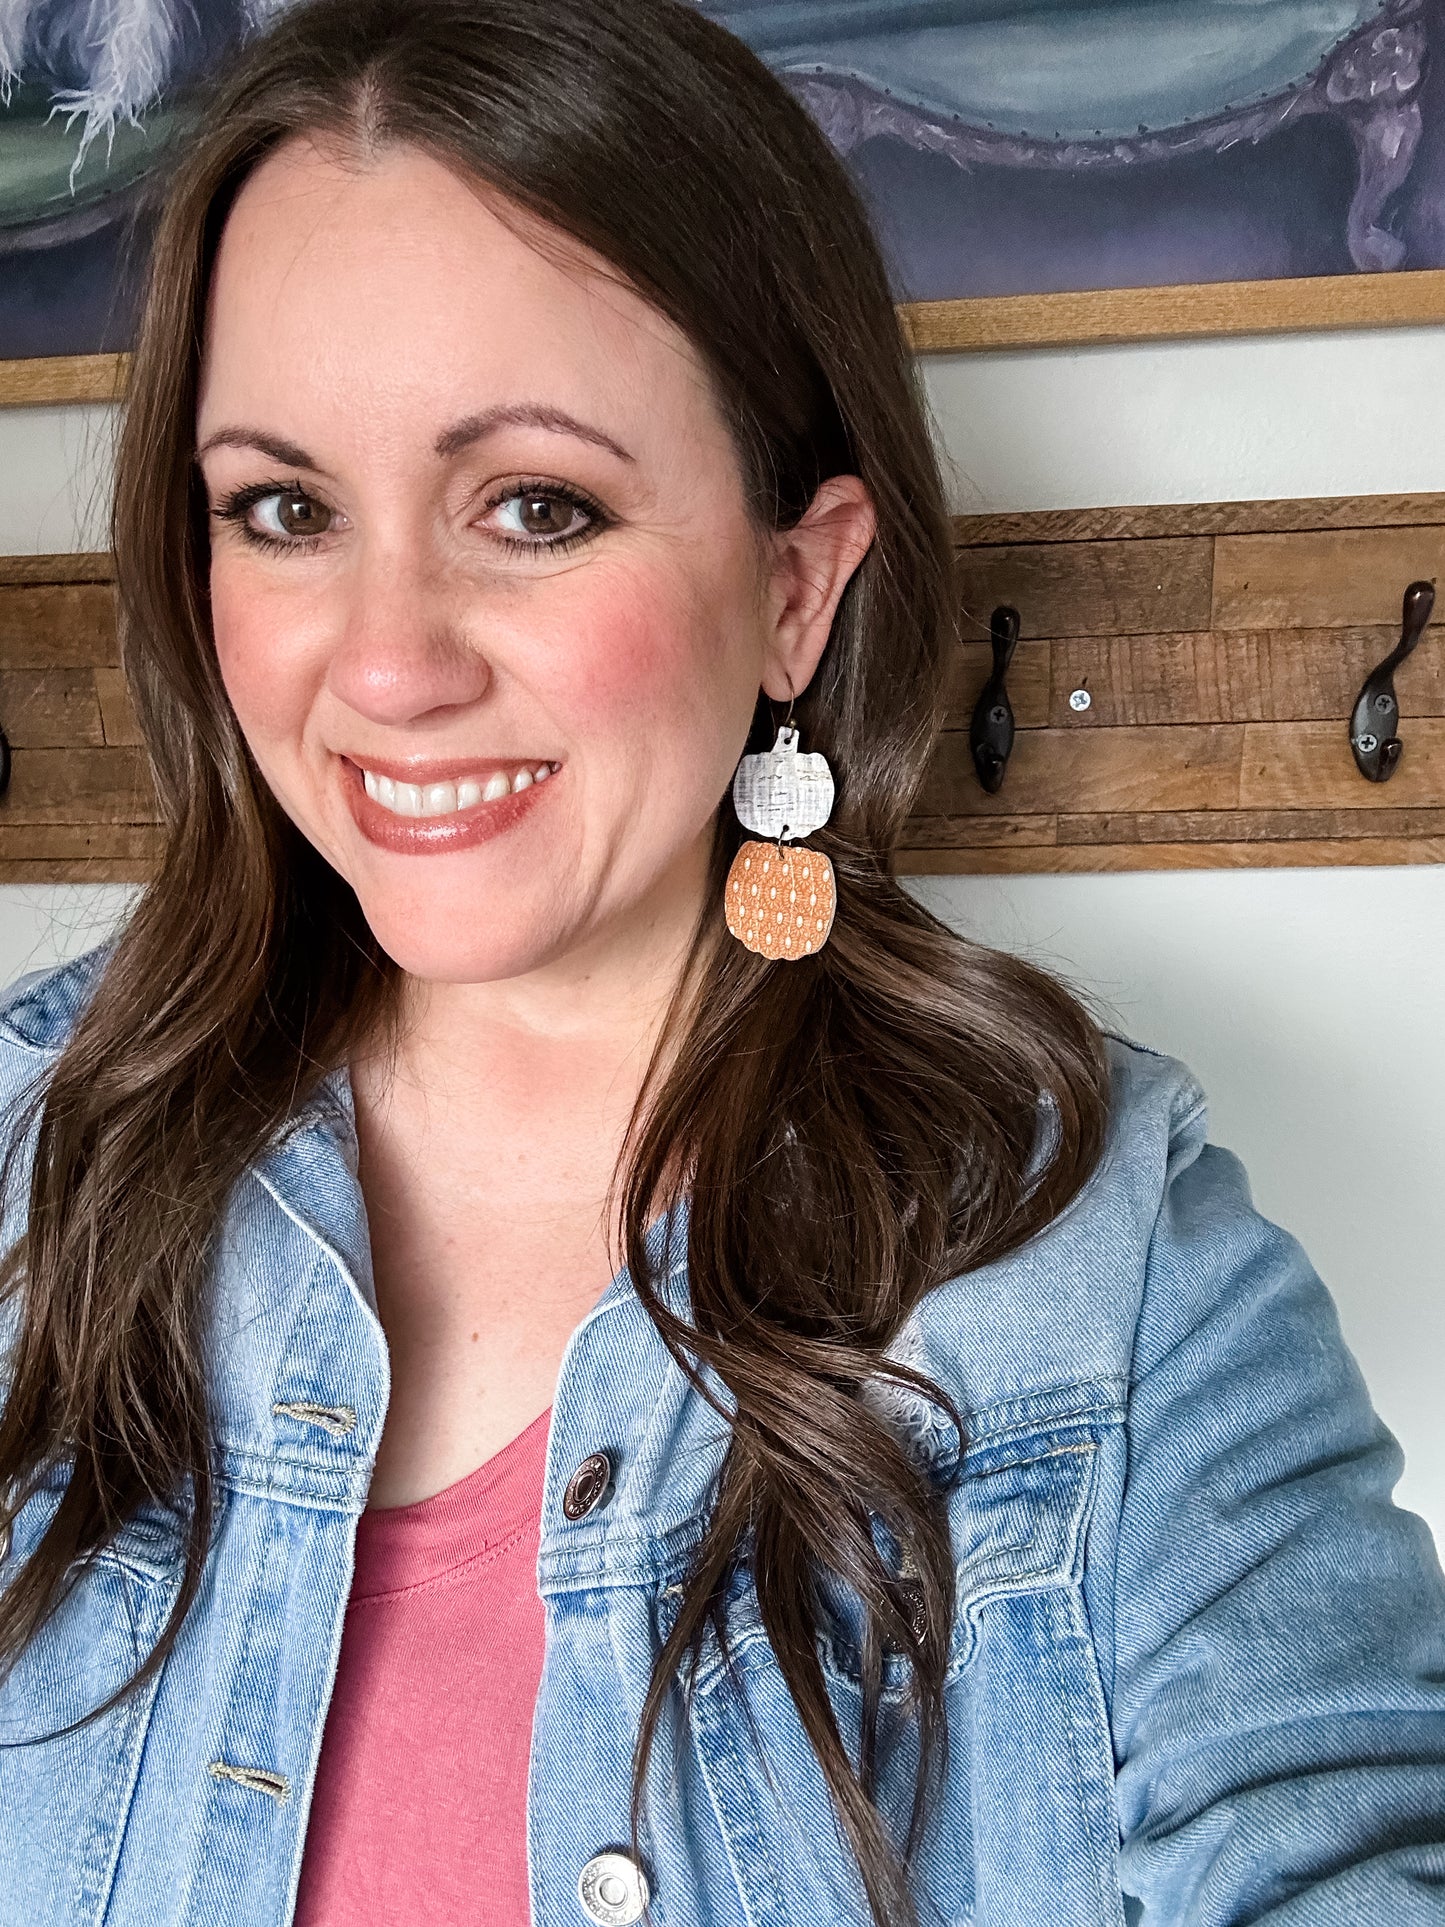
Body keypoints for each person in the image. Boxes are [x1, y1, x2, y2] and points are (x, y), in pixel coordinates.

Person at [1, 2, 1443, 1923]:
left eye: (534, 507)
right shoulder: (35, 1169)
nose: (385, 663)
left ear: (795, 586)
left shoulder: (1104, 1276)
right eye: (285, 511)